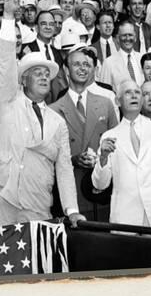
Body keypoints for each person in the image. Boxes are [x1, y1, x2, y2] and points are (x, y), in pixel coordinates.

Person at [0, 0, 85, 227]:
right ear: (24, 80)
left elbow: (64, 168)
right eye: (36, 73)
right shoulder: (9, 100)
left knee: (35, 262)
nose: (43, 77)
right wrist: (9, 17)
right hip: (3, 197)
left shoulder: (57, 121)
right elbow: (7, 62)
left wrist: (72, 210)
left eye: (46, 75)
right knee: (1, 262)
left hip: (38, 202)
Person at [92, 79, 151, 228]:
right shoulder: (109, 136)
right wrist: (103, 157)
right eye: (128, 93)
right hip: (124, 217)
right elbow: (101, 184)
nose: (134, 96)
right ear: (118, 101)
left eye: (137, 92)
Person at [50, 45, 119, 221]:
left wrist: (101, 158)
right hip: (72, 192)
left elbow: (118, 146)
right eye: (76, 64)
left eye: (86, 65)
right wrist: (74, 158)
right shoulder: (53, 110)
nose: (82, 68)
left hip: (103, 190)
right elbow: (51, 156)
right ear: (66, 69)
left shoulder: (106, 103)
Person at [21, 9, 67, 103]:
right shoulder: (26, 49)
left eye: (51, 24)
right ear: (37, 27)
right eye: (44, 24)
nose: (48, 27)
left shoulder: (57, 53)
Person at [99, 21, 144, 92]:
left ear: (135, 38)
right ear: (117, 39)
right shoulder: (109, 63)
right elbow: (104, 92)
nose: (127, 38)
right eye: (124, 35)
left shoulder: (142, 58)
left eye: (130, 35)